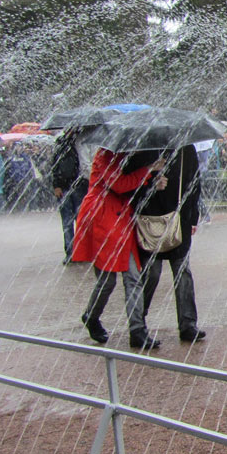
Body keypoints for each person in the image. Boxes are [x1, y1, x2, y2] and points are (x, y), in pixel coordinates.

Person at [73, 149, 167, 349]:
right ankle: (92, 315)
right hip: (103, 218)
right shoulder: (105, 155)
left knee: (132, 276)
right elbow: (120, 184)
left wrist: (151, 181)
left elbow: (131, 185)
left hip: (120, 218)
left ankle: (137, 331)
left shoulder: (123, 155)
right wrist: (149, 169)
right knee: (107, 280)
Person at [130, 146, 206, 343]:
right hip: (150, 222)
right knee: (151, 274)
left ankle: (188, 323)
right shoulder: (144, 147)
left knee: (182, 272)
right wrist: (151, 183)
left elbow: (194, 183)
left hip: (178, 220)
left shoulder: (185, 149)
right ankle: (138, 322)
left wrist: (192, 217)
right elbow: (132, 186)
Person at [51, 128, 89, 264]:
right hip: (67, 186)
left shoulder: (84, 144)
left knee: (81, 220)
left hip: (81, 186)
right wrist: (56, 185)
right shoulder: (63, 146)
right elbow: (55, 166)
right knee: (68, 222)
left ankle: (82, 252)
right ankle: (71, 252)